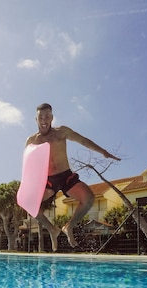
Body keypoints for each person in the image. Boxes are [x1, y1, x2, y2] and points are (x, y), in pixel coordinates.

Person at [25, 103, 120, 251]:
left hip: (66, 176)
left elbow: (83, 140)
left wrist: (103, 151)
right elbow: (28, 166)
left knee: (88, 199)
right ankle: (52, 229)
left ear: (52, 117)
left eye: (47, 116)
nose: (44, 120)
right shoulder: (31, 141)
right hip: (48, 181)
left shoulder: (61, 131)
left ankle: (68, 226)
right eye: (40, 117)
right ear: (35, 119)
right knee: (29, 205)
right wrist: (29, 186)